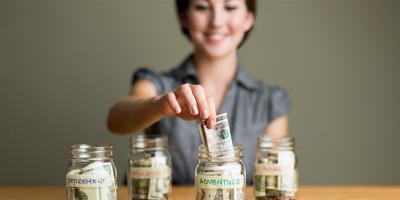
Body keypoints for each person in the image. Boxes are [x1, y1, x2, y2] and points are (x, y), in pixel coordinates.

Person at [107, 0, 290, 184]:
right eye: (202, 7)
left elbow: (272, 183)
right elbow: (115, 120)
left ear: (248, 19)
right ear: (184, 17)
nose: (216, 21)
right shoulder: (157, 84)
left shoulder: (270, 101)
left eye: (230, 7)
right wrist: (161, 104)